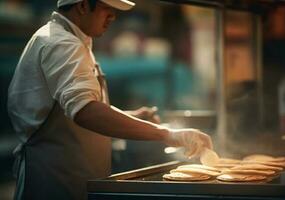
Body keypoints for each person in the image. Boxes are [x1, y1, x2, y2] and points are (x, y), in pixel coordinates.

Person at [7, 0, 213, 199]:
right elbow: (86, 112)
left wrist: (132, 118)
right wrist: (166, 134)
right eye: (107, 9)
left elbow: (79, 110)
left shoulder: (74, 40)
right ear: (83, 5)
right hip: (55, 183)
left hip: (74, 180)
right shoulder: (61, 43)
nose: (113, 17)